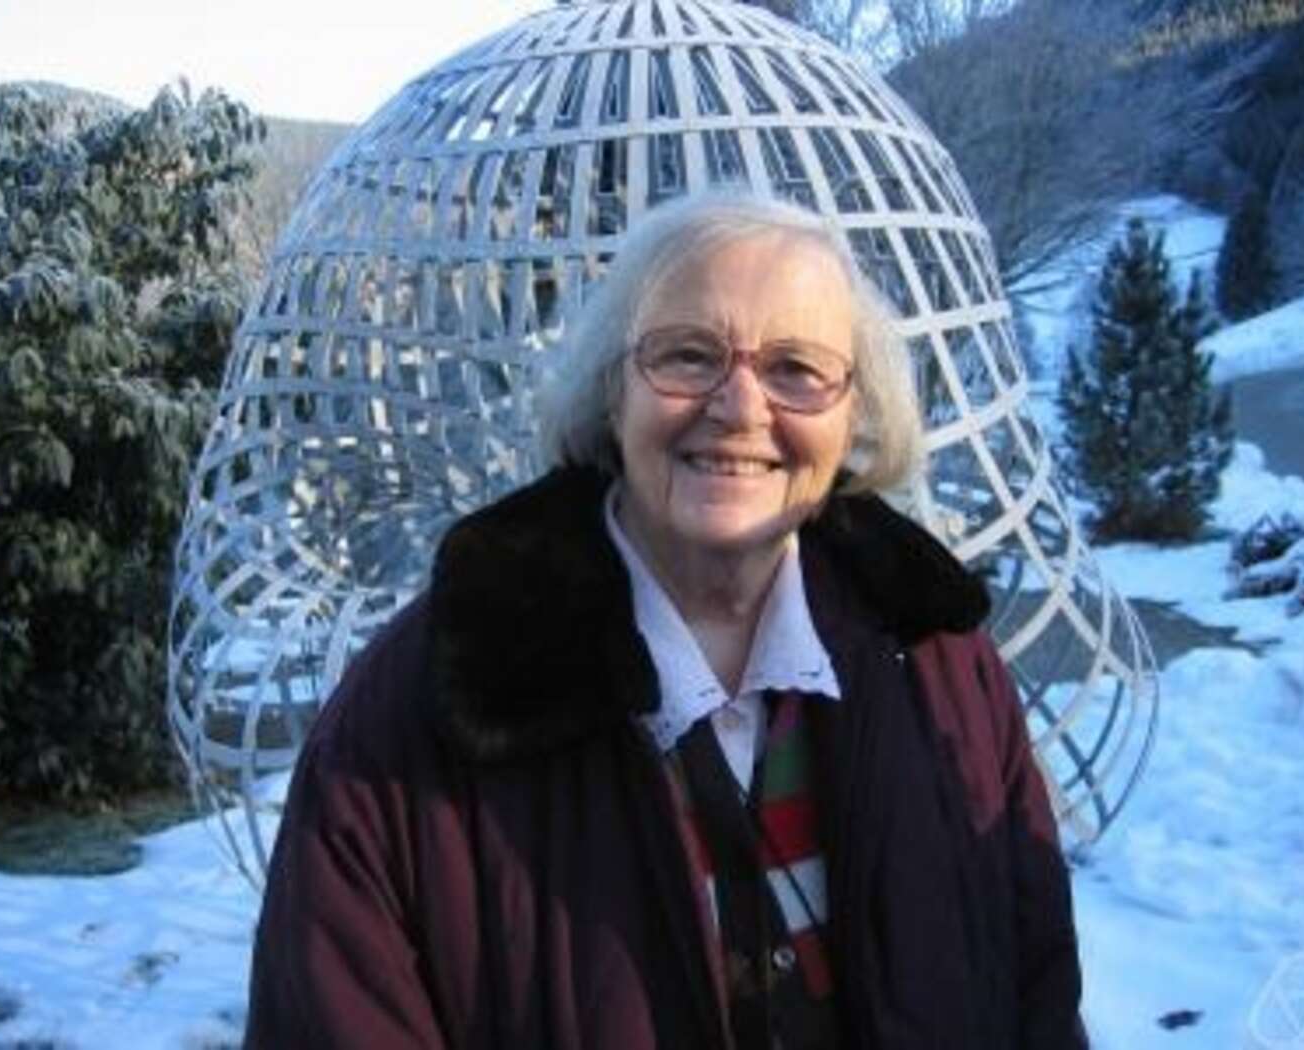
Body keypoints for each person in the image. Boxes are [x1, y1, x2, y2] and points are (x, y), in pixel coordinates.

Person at [245, 192, 1087, 1049]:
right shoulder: (415, 717)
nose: (740, 408)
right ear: (611, 389)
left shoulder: (941, 666)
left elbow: (1039, 992)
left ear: (855, 415)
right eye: (687, 356)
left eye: (797, 369)